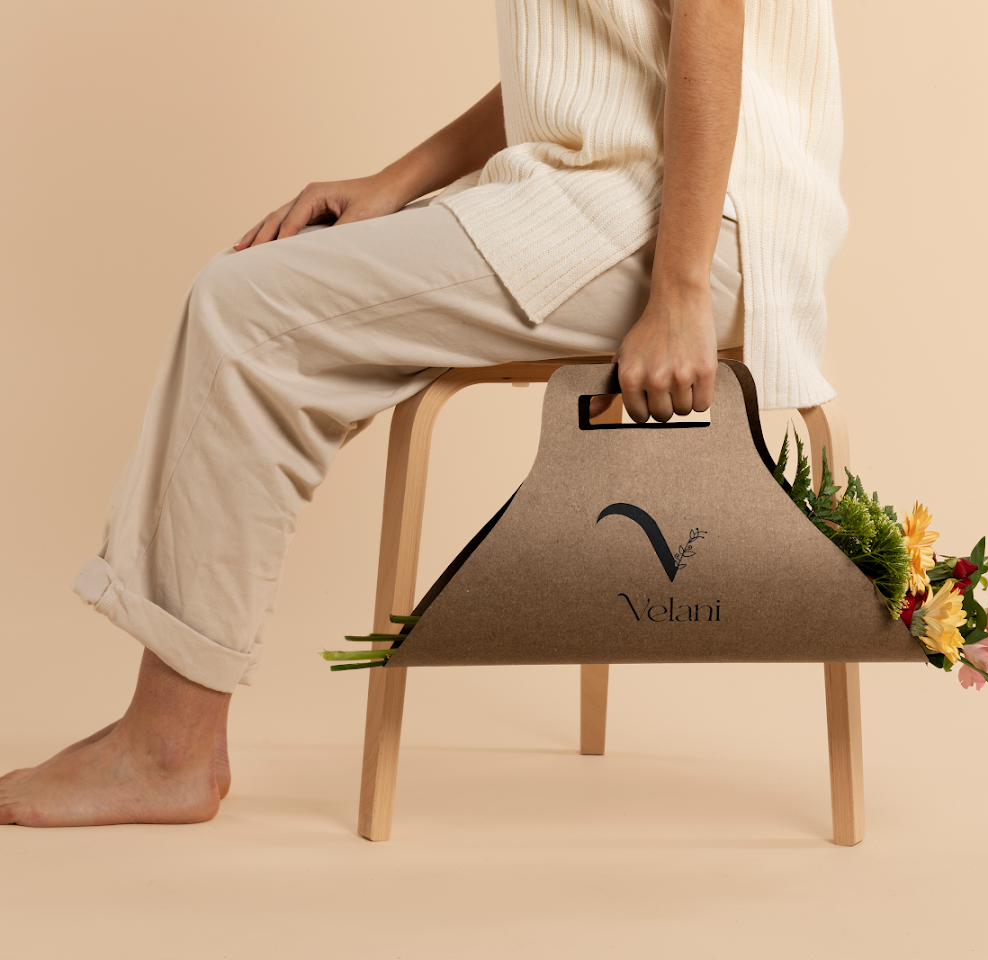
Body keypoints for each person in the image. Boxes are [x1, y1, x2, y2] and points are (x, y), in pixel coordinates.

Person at [0, 0, 846, 827]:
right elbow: (593, 62)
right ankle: (169, 736)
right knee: (257, 296)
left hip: (695, 219)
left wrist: (682, 289)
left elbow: (711, 11)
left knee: (246, 311)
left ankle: (168, 747)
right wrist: (396, 181)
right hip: (617, 196)